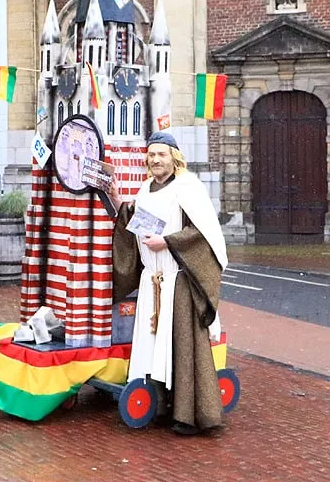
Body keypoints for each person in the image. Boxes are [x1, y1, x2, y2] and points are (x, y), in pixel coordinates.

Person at [110, 131, 228, 435]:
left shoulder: (189, 187)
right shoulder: (146, 188)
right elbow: (135, 219)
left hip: (178, 281)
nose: (155, 160)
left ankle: (189, 414)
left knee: (182, 348)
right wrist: (116, 199)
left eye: (161, 154)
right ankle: (159, 405)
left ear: (174, 158)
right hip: (153, 283)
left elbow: (203, 233)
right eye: (151, 155)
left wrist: (168, 242)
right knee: (153, 347)